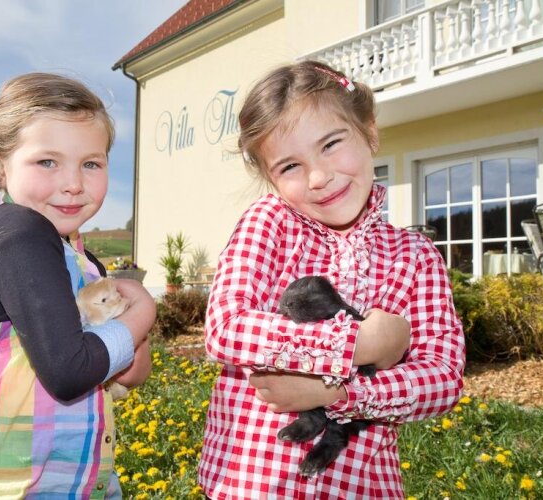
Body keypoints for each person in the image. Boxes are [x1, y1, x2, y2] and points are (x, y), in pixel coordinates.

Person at [199, 60, 465, 499]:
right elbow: (225, 329)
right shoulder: (270, 223)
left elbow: (442, 381)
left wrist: (340, 392)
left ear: (369, 133)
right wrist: (358, 344)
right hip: (253, 484)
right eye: (290, 166)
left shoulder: (416, 257)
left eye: (331, 144)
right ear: (269, 177)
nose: (319, 177)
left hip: (363, 486)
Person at [0, 73, 155, 499]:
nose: (74, 183)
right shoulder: (19, 238)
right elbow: (70, 372)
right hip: (14, 486)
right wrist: (143, 312)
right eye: (47, 162)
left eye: (91, 164)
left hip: (77, 480)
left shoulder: (81, 258)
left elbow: (130, 371)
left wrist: (126, 336)